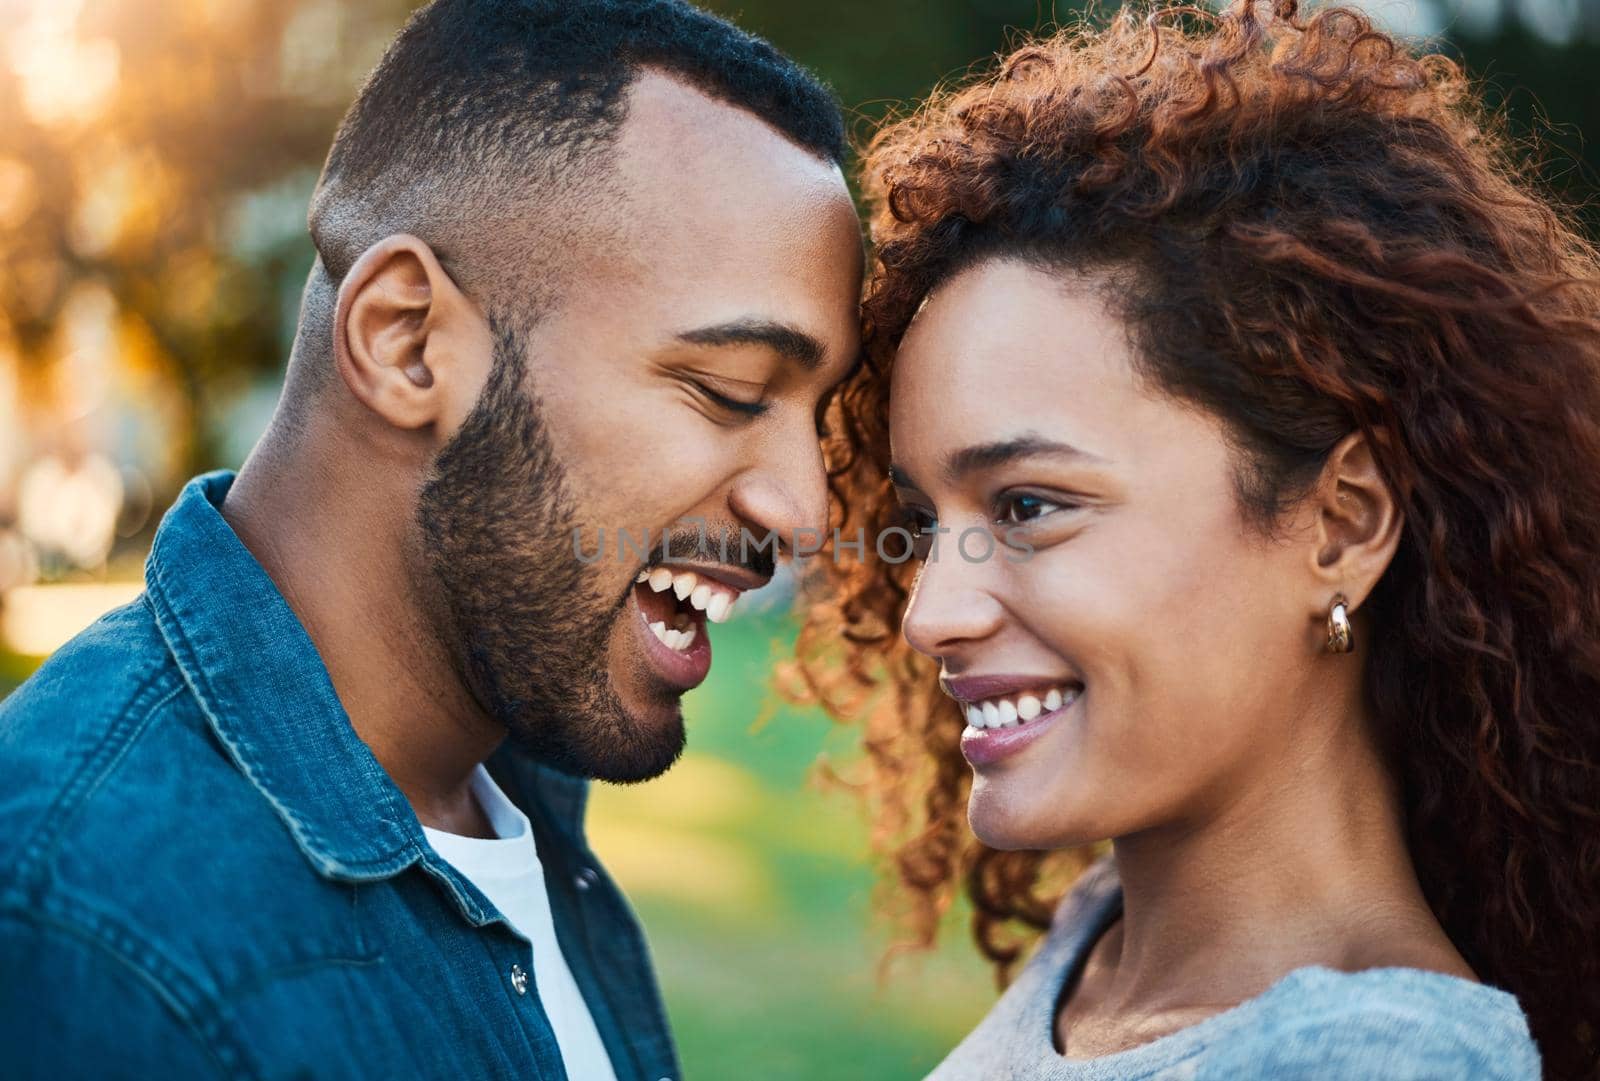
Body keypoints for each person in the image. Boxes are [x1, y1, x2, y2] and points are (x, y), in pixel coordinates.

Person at [0, 1, 861, 1078]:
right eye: (729, 390)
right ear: (407, 344)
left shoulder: (518, 790)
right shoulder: (89, 932)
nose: (805, 509)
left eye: (815, 415)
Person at [797, 2, 1599, 1077]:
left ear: (1344, 522)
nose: (930, 612)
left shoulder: (1371, 1061)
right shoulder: (1100, 943)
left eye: (1029, 506)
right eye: (923, 521)